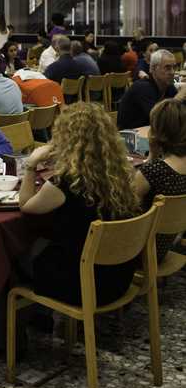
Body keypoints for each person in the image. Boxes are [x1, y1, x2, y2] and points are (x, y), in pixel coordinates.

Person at [18, 102, 141, 306]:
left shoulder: (66, 183)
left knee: (14, 252)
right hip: (119, 276)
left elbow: (26, 206)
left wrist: (30, 166)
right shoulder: (120, 171)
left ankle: (19, 324)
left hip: (83, 284)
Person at [134, 99, 186, 263]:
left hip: (139, 252)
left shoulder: (153, 172)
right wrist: (153, 156)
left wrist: (150, 157)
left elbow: (121, 205)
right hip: (167, 244)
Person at [118, 49, 186, 129]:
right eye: (167, 68)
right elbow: (159, 119)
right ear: (152, 69)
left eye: (174, 67)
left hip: (152, 133)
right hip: (131, 136)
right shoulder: (142, 88)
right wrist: (178, 98)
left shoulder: (168, 86)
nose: (172, 72)